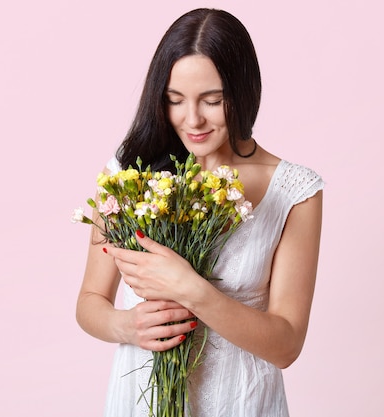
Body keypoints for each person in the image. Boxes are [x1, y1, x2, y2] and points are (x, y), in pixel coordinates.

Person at [76, 8, 324, 417]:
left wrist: (191, 289)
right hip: (142, 401)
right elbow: (89, 302)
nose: (192, 120)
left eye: (212, 100)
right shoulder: (131, 173)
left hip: (243, 403)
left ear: (243, 93)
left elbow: (287, 345)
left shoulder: (293, 191)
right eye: (175, 100)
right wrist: (127, 326)